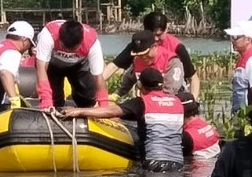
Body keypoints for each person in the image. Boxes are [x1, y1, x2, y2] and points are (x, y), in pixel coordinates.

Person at [60, 68, 199, 171]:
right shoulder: (177, 103)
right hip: (178, 165)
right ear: (162, 84)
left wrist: (79, 111)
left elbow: (110, 111)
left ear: (140, 87)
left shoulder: (142, 102)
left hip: (153, 164)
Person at [106, 11, 197, 97]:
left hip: (173, 94)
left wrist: (193, 102)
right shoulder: (139, 46)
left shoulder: (177, 48)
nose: (156, 39)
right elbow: (115, 65)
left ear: (166, 30)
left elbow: (193, 78)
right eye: (152, 35)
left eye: (159, 35)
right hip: (148, 96)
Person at [34, 18, 105, 109]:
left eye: (72, 50)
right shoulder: (48, 34)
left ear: (81, 42)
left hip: (78, 65)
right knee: (54, 100)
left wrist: (104, 105)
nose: (67, 52)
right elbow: (41, 68)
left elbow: (98, 76)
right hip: (52, 65)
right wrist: (46, 99)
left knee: (88, 99)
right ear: (59, 37)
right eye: (64, 47)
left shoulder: (92, 43)